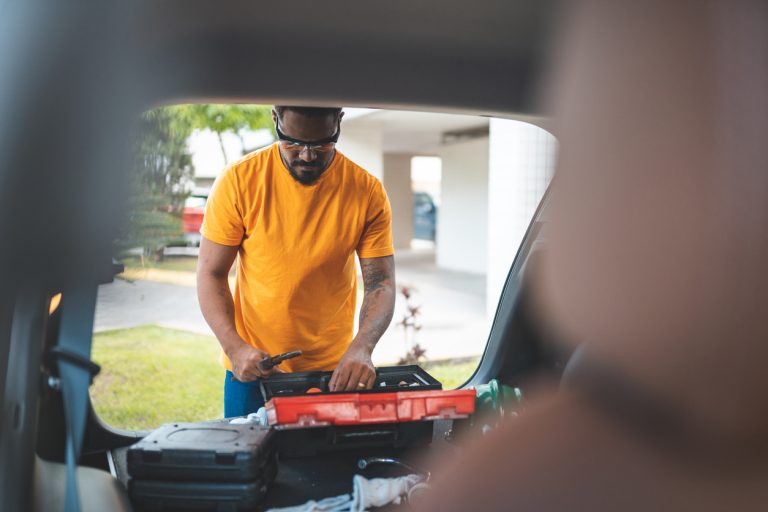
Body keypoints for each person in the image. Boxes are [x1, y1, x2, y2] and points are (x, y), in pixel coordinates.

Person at [196, 106, 396, 417]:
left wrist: (362, 348)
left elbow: (380, 282)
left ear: (339, 123)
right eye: (292, 143)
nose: (306, 156)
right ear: (275, 119)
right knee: (248, 462)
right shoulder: (238, 181)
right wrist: (234, 348)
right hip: (251, 371)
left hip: (334, 374)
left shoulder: (366, 191)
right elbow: (211, 273)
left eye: (321, 144)